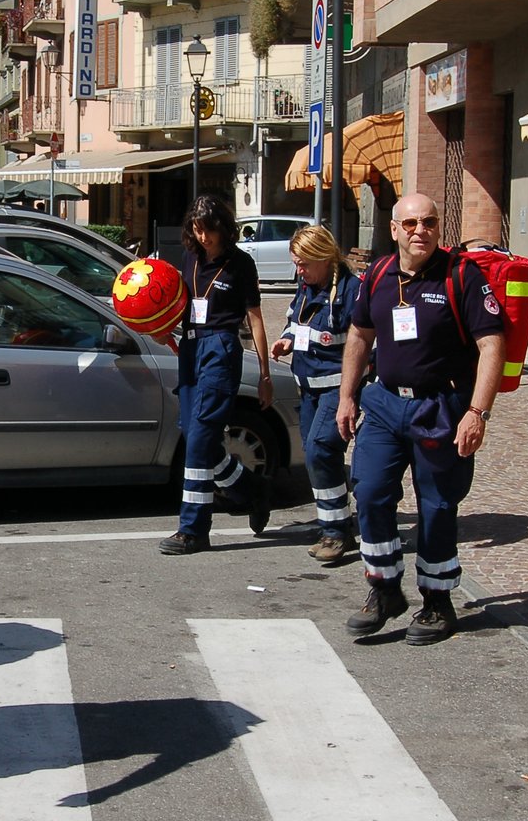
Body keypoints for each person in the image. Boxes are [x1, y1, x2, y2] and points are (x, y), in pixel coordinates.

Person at [335, 193, 505, 645]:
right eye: (409, 223)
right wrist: (346, 396)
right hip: (386, 404)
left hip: (441, 408)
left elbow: (492, 346)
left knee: (437, 506)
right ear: (394, 230)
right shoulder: (377, 275)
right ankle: (385, 588)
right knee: (369, 492)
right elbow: (359, 334)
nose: (419, 231)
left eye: (428, 222)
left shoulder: (461, 275)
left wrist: (477, 412)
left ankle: (436, 601)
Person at [160, 194, 273, 555]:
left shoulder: (240, 264)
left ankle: (192, 529)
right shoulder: (190, 257)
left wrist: (265, 373)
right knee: (195, 436)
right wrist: (162, 328)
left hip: (221, 348)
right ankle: (252, 491)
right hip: (190, 348)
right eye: (197, 228)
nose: (203, 236)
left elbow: (255, 317)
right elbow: (180, 304)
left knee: (199, 441)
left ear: (223, 228)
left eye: (209, 229)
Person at [270, 225, 360, 565]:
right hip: (308, 387)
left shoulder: (352, 291)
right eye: (296, 263)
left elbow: (363, 341)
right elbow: (295, 320)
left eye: (304, 263)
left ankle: (337, 532)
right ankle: (334, 524)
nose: (299, 270)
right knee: (315, 455)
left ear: (324, 257)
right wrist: (287, 339)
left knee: (321, 451)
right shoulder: (306, 286)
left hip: (337, 387)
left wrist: (351, 394)